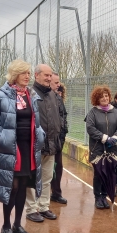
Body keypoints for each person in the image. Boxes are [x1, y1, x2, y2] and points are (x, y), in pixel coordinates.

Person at [0, 59, 44, 233]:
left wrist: (40, 134)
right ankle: (5, 225)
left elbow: (36, 122)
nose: (27, 76)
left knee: (23, 188)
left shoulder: (31, 95)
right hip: (10, 148)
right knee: (12, 187)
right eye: (23, 73)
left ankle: (17, 224)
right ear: (14, 75)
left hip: (29, 148)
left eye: (28, 73)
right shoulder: (0, 96)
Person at [25, 64, 62, 222]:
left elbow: (58, 118)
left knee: (47, 178)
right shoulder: (29, 94)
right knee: (32, 179)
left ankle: (43, 206)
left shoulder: (53, 95)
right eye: (45, 75)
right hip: (34, 146)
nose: (48, 78)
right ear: (36, 75)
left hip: (52, 145)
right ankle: (31, 209)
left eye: (50, 75)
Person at [85, 86, 117, 209]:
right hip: (98, 149)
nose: (104, 98)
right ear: (97, 98)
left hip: (112, 149)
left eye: (106, 96)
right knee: (99, 174)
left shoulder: (115, 112)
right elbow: (90, 128)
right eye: (102, 96)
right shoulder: (92, 112)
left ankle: (104, 196)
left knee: (109, 174)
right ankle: (98, 197)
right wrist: (105, 138)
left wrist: (115, 138)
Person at [50, 72, 68, 205]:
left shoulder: (58, 99)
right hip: (44, 142)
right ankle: (37, 199)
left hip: (57, 141)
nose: (59, 85)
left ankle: (56, 193)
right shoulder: (39, 97)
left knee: (58, 167)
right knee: (43, 170)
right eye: (56, 83)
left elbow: (63, 120)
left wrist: (62, 138)